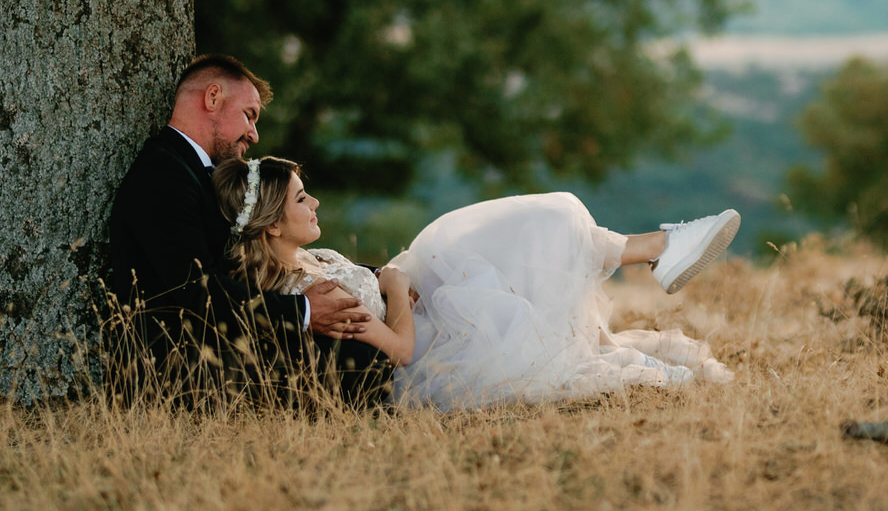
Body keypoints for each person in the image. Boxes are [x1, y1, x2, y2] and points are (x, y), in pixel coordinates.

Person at [216, 155, 739, 409]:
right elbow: (398, 349)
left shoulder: (318, 260)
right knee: (533, 280)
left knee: (539, 227)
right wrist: (396, 289)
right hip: (433, 353)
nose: (315, 203)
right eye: (301, 199)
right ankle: (661, 250)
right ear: (273, 224)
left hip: (430, 315)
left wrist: (396, 283)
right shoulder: (311, 297)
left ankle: (660, 249)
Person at [105, 54, 388, 402]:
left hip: (236, 337)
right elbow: (197, 289)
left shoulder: (199, 172)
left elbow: (273, 254)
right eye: (249, 115)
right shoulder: (163, 175)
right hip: (189, 364)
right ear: (212, 98)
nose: (254, 134)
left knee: (364, 351)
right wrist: (303, 311)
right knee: (366, 361)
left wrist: (371, 276)